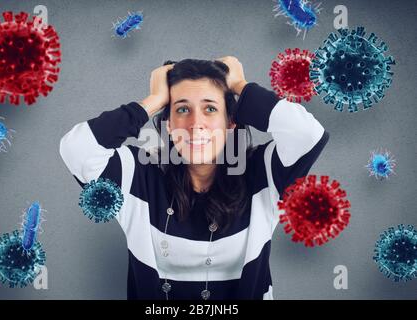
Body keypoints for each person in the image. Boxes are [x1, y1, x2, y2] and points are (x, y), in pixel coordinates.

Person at [59, 56, 329, 300]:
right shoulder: (138, 175)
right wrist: (152, 101)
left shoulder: (263, 172)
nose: (195, 124)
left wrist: (241, 85)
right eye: (182, 109)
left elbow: (308, 135)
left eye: (210, 109)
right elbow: (76, 149)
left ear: (230, 122)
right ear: (168, 124)